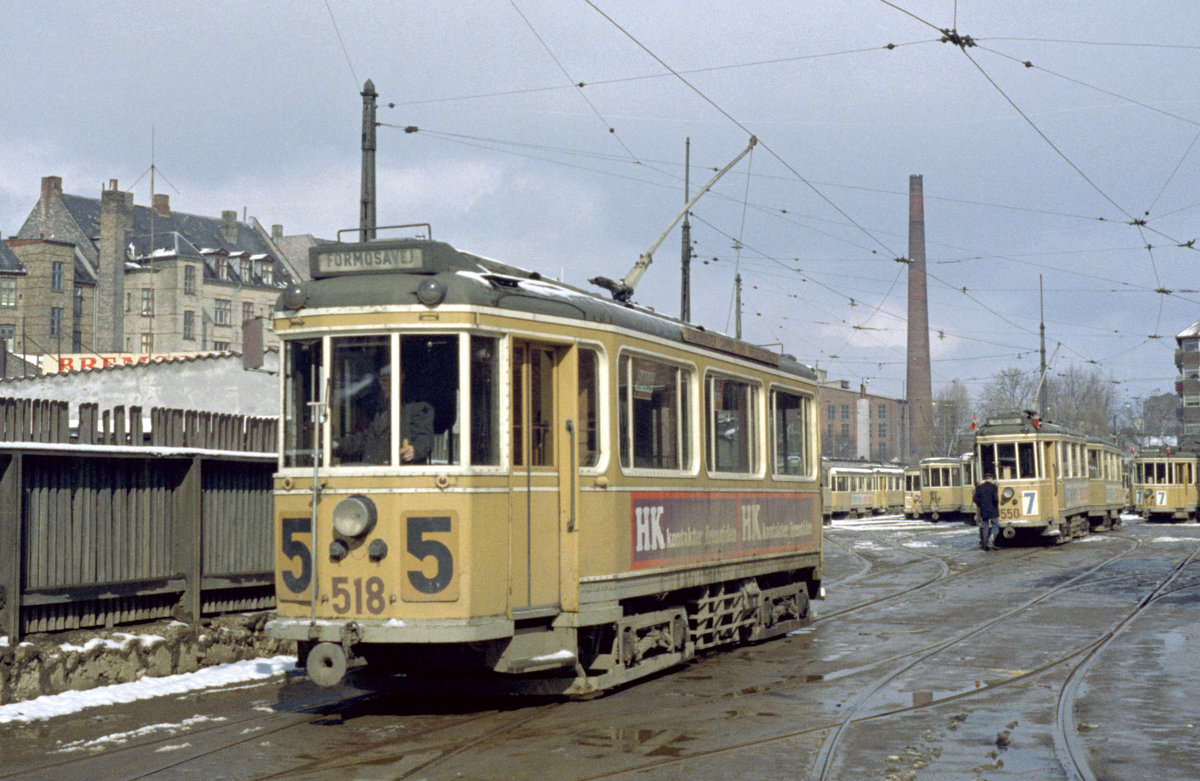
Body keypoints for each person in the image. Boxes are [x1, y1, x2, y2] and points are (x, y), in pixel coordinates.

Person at [339, 364, 434, 465]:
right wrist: (334, 444)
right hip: (374, 473)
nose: (384, 383)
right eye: (382, 380)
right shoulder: (380, 409)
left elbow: (425, 439)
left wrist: (415, 450)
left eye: (388, 378)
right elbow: (365, 440)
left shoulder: (417, 408)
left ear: (401, 378)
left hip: (400, 475)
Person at [973, 472, 1000, 550]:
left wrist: (980, 504)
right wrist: (996, 505)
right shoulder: (994, 487)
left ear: (985, 479)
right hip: (993, 510)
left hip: (983, 510)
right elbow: (995, 499)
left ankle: (985, 544)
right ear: (991, 479)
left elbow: (975, 499)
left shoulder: (979, 487)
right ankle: (991, 540)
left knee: (985, 527)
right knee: (995, 525)